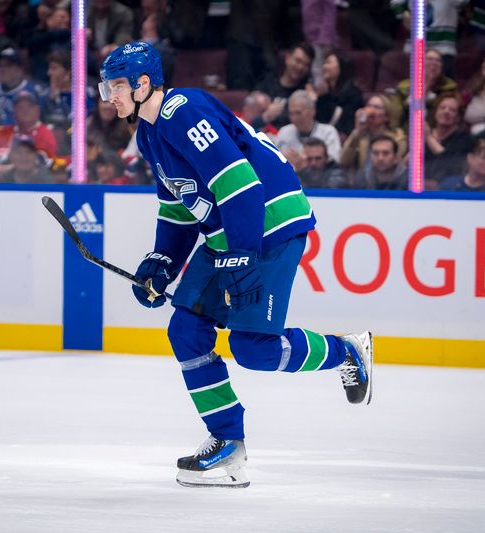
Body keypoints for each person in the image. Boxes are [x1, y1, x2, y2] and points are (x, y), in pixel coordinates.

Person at [98, 41, 373, 489]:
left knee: (254, 350)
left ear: (144, 83)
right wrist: (162, 260)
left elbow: (242, 187)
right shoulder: (148, 132)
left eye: (118, 85)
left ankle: (347, 351)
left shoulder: (182, 110)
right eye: (107, 85)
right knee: (186, 330)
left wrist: (241, 257)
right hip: (232, 230)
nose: (110, 94)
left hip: (270, 222)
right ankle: (228, 443)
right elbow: (179, 204)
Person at [0, 89, 58, 173]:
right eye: (20, 107)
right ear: (14, 112)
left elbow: (45, 168)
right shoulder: (1, 133)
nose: (25, 110)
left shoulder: (46, 134)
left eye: (29, 106)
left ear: (37, 110)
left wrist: (9, 169)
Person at [274, 90, 341, 170]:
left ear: (312, 111)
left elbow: (334, 163)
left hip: (321, 180)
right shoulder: (284, 132)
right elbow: (273, 162)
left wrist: (305, 161)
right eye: (291, 113)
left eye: (298, 113)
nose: (294, 118)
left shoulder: (328, 132)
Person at [424, 93, 473, 187]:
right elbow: (406, 163)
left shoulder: (464, 139)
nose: (446, 112)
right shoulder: (423, 135)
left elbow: (451, 162)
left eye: (452, 110)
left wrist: (429, 138)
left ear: (458, 117)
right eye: (442, 108)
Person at [314, 52, 365, 138]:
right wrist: (320, 98)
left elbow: (343, 123)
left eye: (328, 63)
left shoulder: (353, 94)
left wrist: (323, 97)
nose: (324, 67)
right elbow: (319, 120)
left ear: (341, 66)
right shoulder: (325, 92)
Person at [0, 47, 37, 126]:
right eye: (0, 65)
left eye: (8, 66)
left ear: (20, 70)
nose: (2, 69)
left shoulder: (33, 93)